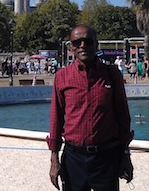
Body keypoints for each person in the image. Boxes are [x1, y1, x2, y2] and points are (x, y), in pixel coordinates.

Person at [47, 25, 134, 190]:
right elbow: (56, 119)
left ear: (96, 44)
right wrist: (54, 159)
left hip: (106, 157)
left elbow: (123, 116)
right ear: (71, 47)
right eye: (77, 42)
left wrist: (126, 155)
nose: (82, 46)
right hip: (74, 159)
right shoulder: (62, 77)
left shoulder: (112, 74)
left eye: (87, 41)